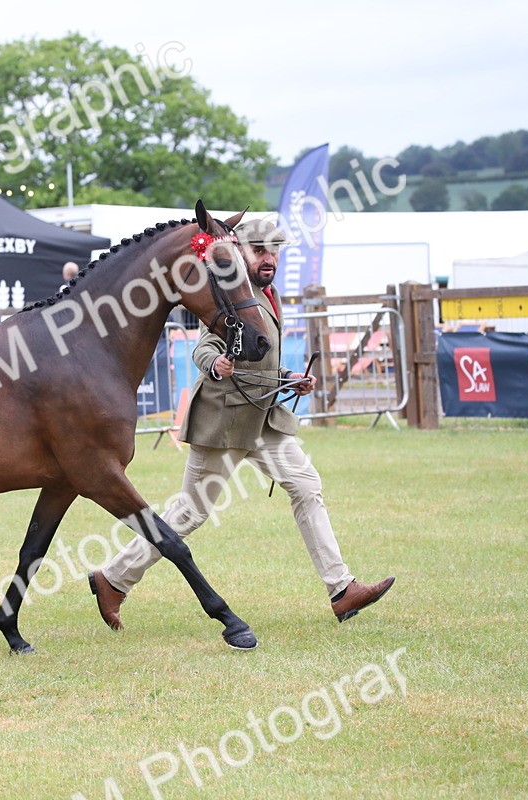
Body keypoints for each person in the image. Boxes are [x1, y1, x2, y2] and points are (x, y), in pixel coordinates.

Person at [88, 218, 394, 631]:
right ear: (241, 253)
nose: (269, 259)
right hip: (225, 420)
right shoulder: (230, 292)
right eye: (260, 250)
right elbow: (205, 348)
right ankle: (113, 579)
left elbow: (259, 358)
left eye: (275, 251)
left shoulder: (269, 294)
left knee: (306, 486)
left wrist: (288, 377)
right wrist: (216, 363)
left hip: (263, 417)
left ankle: (342, 589)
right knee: (190, 512)